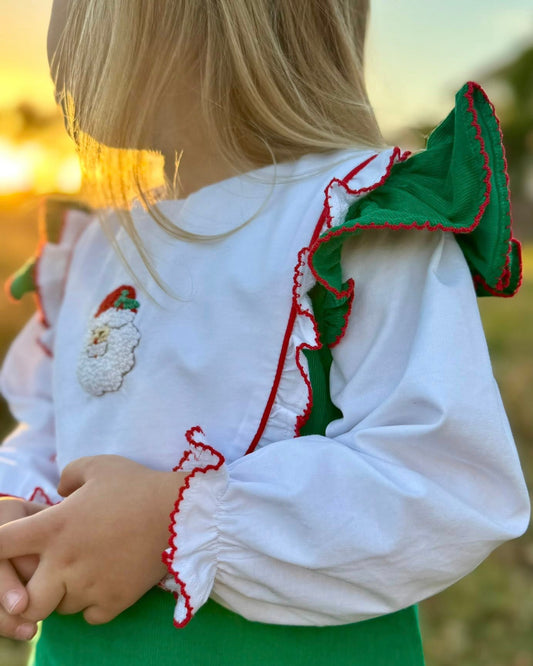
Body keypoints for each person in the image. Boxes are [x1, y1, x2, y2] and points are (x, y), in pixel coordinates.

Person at [0, 1, 529, 664]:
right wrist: (13, 506)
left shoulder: (356, 218)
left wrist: (175, 519)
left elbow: (447, 482)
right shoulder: (93, 252)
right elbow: (54, 429)